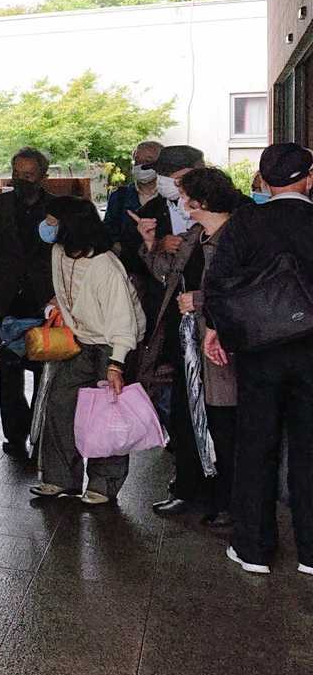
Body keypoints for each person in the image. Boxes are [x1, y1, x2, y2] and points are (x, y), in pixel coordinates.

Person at [203, 143, 313, 575]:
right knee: (310, 447)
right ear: (309, 179)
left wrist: (216, 329)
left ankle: (253, 548)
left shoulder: (247, 221)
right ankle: (311, 553)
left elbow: (218, 284)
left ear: (264, 182)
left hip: (259, 351)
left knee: (255, 445)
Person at [30, 196, 142, 505]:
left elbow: (123, 320)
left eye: (52, 222)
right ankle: (59, 478)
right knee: (60, 402)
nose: (46, 227)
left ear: (70, 226)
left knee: (108, 412)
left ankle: (104, 484)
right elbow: (67, 291)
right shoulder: (58, 252)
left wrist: (117, 364)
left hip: (114, 341)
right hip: (80, 338)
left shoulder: (106, 266)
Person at [130, 143, 210, 515]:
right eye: (168, 182)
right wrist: (155, 244)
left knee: (218, 412)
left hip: (216, 326)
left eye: (179, 182)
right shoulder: (153, 212)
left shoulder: (231, 212)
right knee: (180, 406)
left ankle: (221, 494)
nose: (176, 192)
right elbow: (153, 270)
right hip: (173, 322)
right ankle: (187, 484)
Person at [167, 166, 248, 528]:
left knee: (224, 423)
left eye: (184, 196)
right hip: (192, 344)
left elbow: (245, 289)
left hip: (223, 347)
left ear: (199, 201)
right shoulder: (196, 237)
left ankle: (229, 501)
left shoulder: (238, 237)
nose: (180, 202)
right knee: (192, 417)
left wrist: (199, 300)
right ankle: (200, 491)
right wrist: (149, 244)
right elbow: (170, 276)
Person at [0, 147, 55, 461]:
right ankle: (14, 434)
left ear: (42, 176)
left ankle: (39, 431)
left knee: (44, 369)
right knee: (9, 370)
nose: (22, 180)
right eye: (17, 173)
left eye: (29, 175)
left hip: (44, 300)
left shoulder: (57, 207)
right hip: (7, 298)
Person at [104, 140, 163, 253]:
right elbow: (108, 231)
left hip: (161, 260)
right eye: (137, 161)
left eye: (147, 161)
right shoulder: (119, 196)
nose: (141, 166)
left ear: (161, 165)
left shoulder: (170, 197)